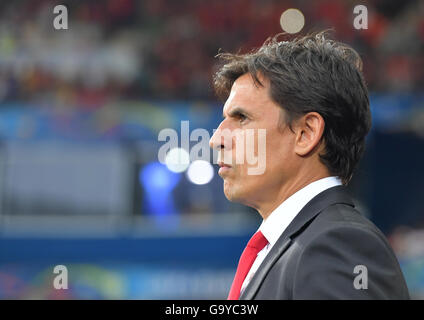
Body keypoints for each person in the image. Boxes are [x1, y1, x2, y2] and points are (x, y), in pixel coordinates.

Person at [209, 31, 410, 300]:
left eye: (242, 118)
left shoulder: (339, 243)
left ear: (305, 133)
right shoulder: (297, 245)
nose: (215, 139)